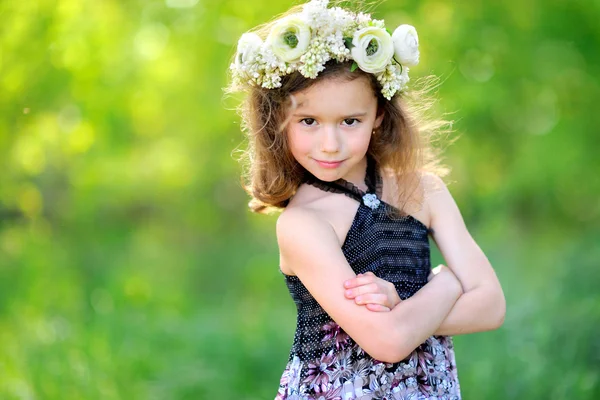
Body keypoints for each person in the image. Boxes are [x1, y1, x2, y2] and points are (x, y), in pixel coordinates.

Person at [226, 1, 506, 398]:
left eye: (350, 121)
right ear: (278, 120)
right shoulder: (303, 224)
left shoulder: (424, 191)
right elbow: (388, 341)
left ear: (378, 114)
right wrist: (445, 282)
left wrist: (402, 306)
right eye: (309, 122)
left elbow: (491, 307)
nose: (330, 143)